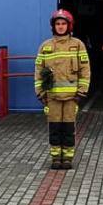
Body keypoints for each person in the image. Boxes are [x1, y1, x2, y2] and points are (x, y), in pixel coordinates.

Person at [35, 9, 90, 170]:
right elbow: (38, 71)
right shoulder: (45, 47)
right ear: (53, 26)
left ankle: (67, 158)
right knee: (54, 129)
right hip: (52, 98)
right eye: (57, 24)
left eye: (63, 23)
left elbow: (85, 70)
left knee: (68, 128)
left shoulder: (77, 45)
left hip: (72, 97)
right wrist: (40, 93)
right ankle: (55, 158)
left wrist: (82, 91)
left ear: (69, 25)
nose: (60, 27)